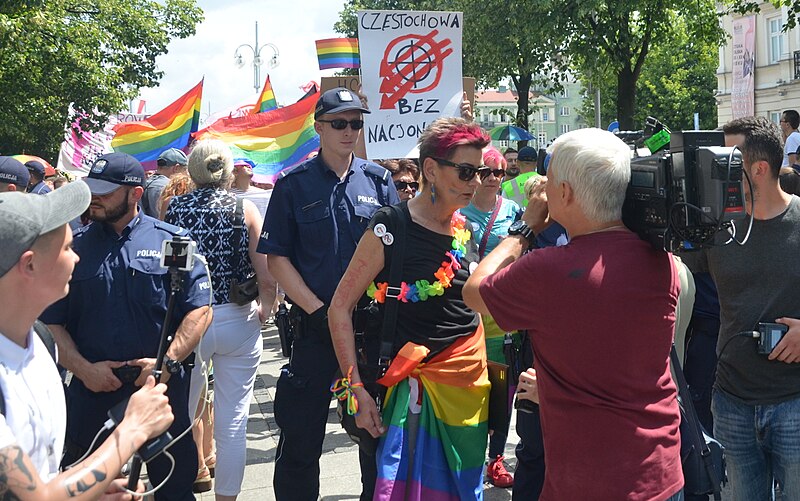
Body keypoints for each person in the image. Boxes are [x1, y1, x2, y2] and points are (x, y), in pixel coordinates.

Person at [463, 128, 683, 501]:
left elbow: (475, 291)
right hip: (659, 470)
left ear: (564, 194)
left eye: (549, 183)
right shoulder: (662, 260)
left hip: (589, 482)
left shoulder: (549, 270)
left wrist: (524, 230)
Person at [328, 117, 491, 500]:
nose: (476, 182)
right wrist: (356, 390)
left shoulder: (462, 225)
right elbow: (339, 307)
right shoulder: (391, 225)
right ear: (431, 170)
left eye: (480, 172)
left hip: (468, 397)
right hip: (411, 396)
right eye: (466, 172)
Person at [40, 152, 213, 501]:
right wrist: (84, 370)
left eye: (106, 191)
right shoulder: (73, 249)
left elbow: (200, 310)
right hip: (93, 392)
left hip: (157, 388)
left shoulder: (172, 240)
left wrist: (168, 363)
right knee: (91, 490)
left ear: (135, 194)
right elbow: (51, 323)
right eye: (93, 190)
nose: (96, 198)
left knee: (174, 488)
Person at [258, 87, 399, 501]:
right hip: (314, 332)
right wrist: (318, 311)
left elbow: (394, 252)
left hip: (368, 331)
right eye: (340, 123)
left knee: (375, 441)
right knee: (300, 445)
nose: (349, 130)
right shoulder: (293, 186)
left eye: (356, 122)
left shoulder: (380, 181)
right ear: (319, 127)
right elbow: (277, 258)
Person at [0, 181, 174, 500]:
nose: (77, 258)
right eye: (67, 249)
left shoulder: (40, 340)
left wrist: (87, 488)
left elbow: (41, 475)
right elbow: (34, 497)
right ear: (30, 264)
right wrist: (131, 430)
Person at [682, 116, 800, 500]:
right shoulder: (717, 227)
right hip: (731, 402)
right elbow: (666, 264)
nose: (715, 170)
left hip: (794, 405)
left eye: (726, 162)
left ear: (759, 169)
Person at [166, 139, 277, 500]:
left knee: (180, 416)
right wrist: (267, 308)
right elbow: (266, 273)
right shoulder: (244, 209)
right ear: (228, 171)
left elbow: (171, 272)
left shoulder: (175, 210)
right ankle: (226, 496)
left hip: (189, 321)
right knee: (233, 422)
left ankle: (178, 487)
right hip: (237, 317)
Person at [460, 145, 520, 488]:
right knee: (475, 388)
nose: (495, 179)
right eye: (487, 172)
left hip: (504, 314)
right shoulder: (459, 213)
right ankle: (472, 454)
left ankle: (496, 457)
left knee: (504, 390)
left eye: (500, 172)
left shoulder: (513, 210)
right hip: (469, 312)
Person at [142, 148, 189, 218]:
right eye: (184, 169)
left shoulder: (143, 184)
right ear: (176, 168)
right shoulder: (170, 188)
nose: (186, 174)